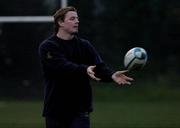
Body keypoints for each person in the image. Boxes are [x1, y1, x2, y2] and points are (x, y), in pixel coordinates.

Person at [38, 6, 134, 128]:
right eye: (72, 19)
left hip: (80, 110)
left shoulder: (84, 45)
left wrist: (111, 75)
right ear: (60, 22)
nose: (77, 21)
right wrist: (84, 69)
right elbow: (61, 66)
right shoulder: (48, 46)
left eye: (77, 19)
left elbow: (99, 69)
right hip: (55, 110)